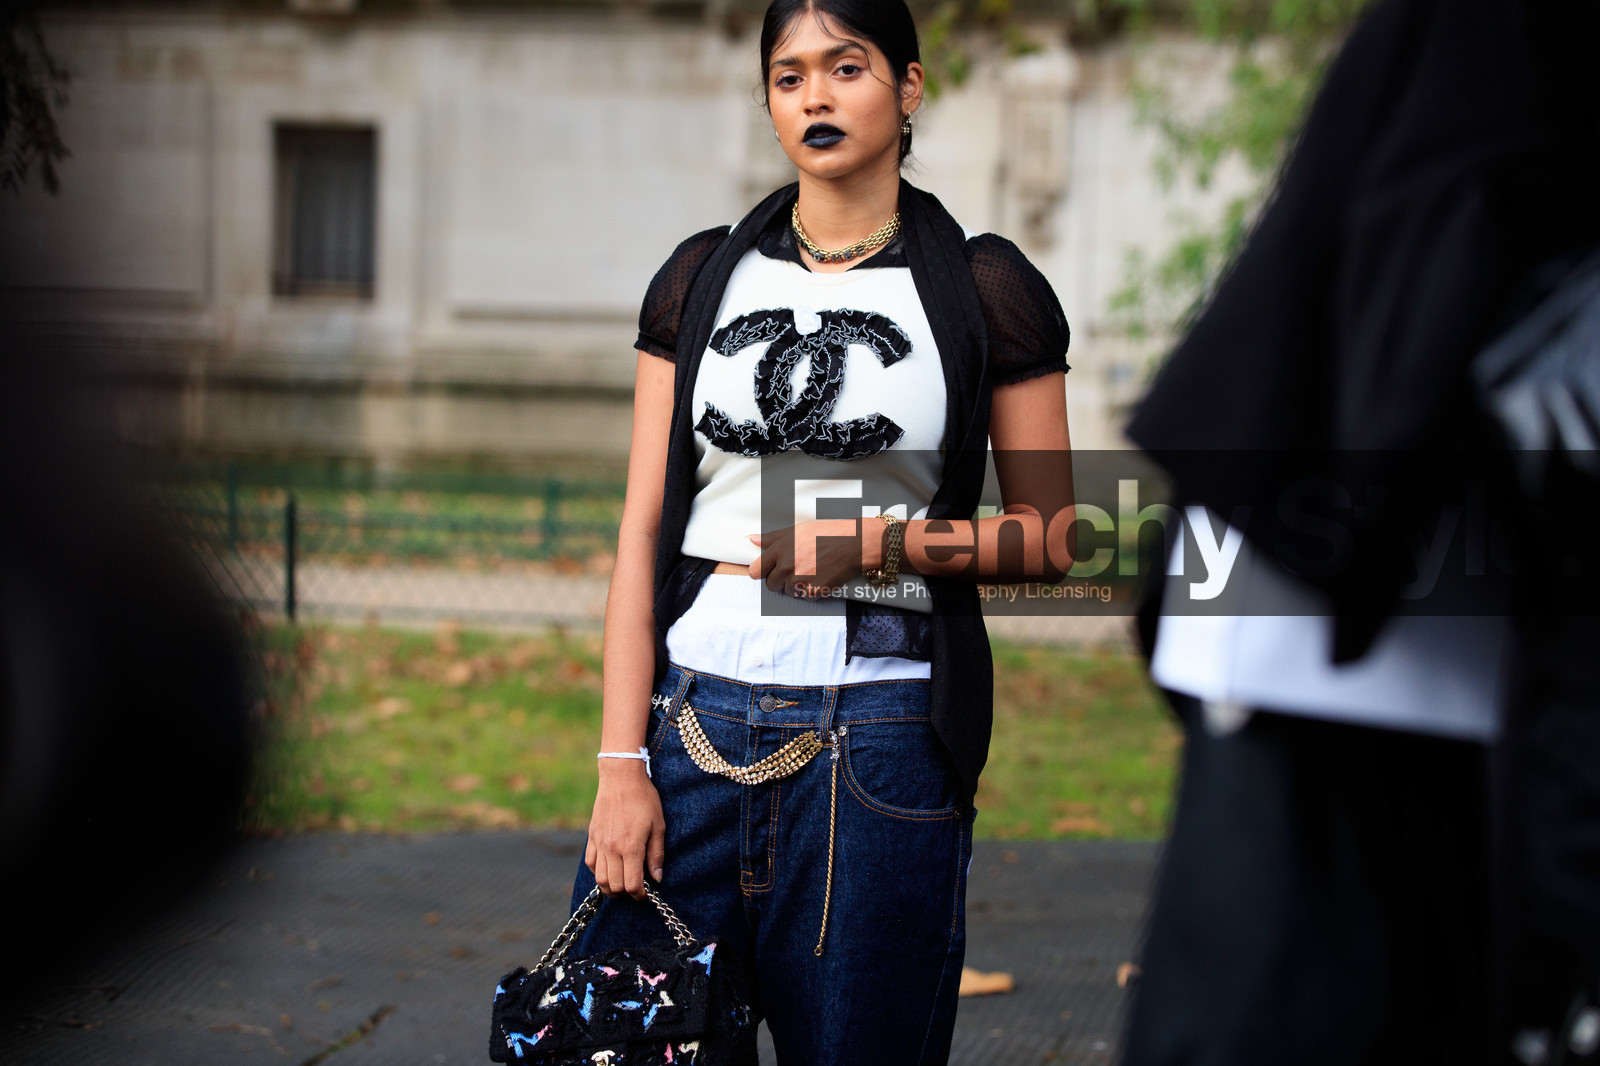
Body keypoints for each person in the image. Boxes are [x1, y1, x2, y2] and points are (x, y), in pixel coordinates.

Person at [562, 0, 1073, 1060]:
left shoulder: (983, 287)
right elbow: (641, 525)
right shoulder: (702, 277)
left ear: (909, 88)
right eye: (789, 76)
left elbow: (1051, 534)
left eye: (846, 68)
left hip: (877, 744)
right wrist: (621, 761)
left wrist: (877, 548)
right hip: (687, 732)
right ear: (767, 100)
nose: (816, 96)